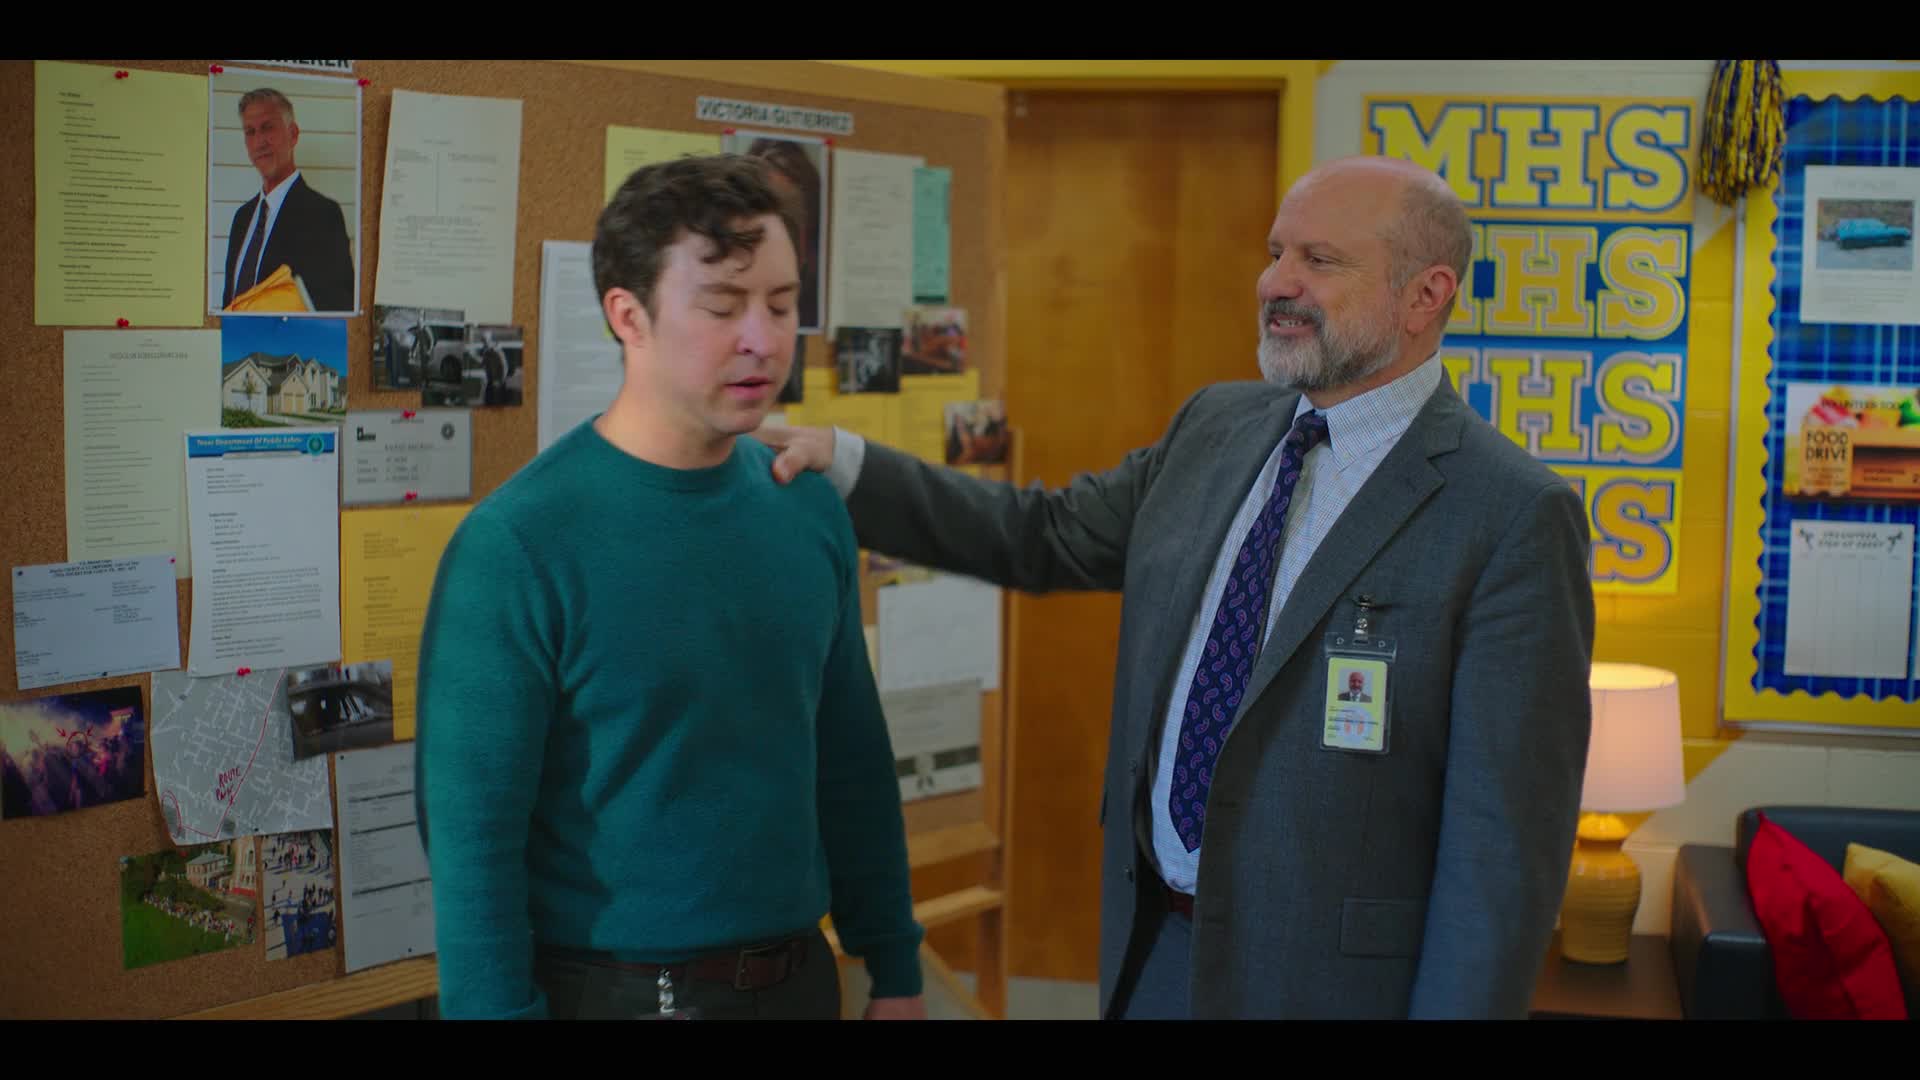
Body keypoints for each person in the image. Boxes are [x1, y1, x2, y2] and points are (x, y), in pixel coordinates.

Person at [760, 155, 1596, 1020]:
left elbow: (1501, 854)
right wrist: (846, 464)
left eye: (1319, 260)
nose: (1276, 283)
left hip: (1331, 991)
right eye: (1276, 252)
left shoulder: (1511, 514)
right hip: (1152, 955)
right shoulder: (1214, 427)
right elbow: (1043, 534)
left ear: (1426, 296)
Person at [414, 154, 927, 1022]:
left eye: (781, 304)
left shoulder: (804, 508)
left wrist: (896, 967)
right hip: (620, 994)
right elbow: (472, 843)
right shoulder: (519, 545)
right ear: (629, 316)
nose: (762, 339)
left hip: (803, 981)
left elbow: (852, 763)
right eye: (723, 307)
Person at [220, 88, 356, 313]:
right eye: (250, 132)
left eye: (267, 128)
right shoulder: (242, 218)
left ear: (293, 134)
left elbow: (336, 307)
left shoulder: (322, 215)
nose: (259, 142)